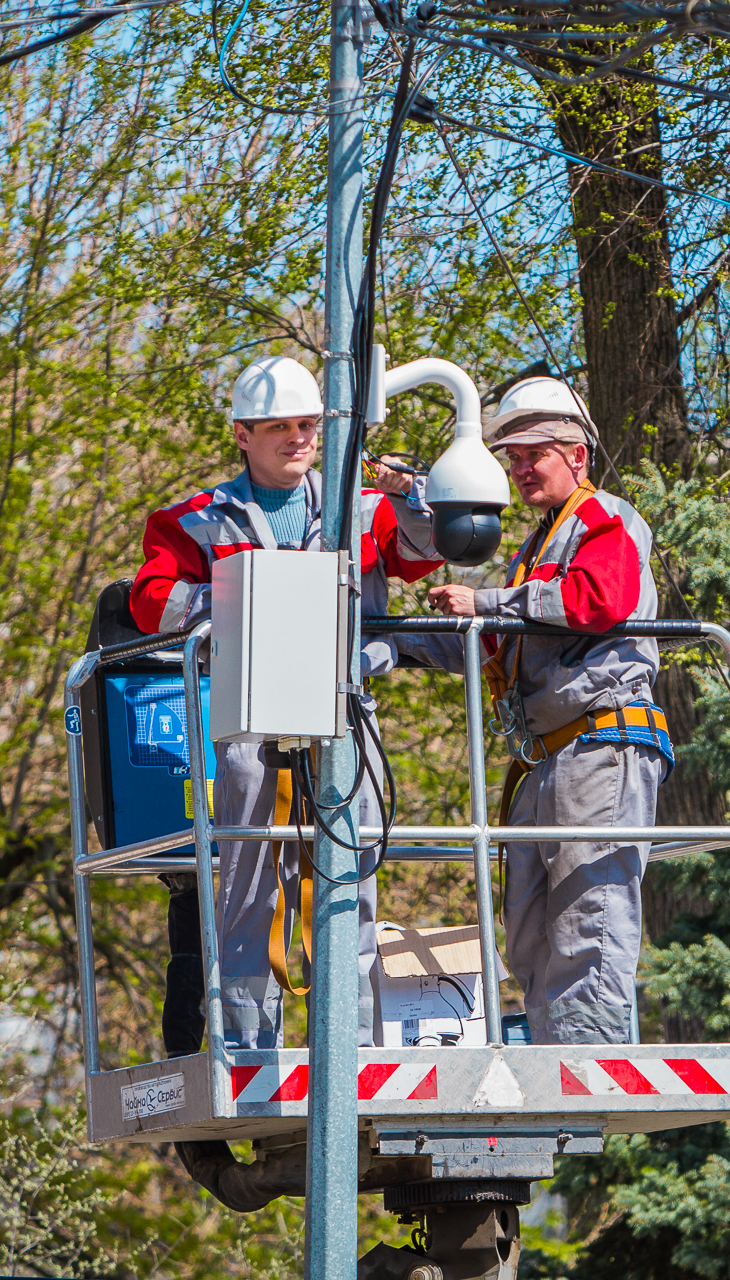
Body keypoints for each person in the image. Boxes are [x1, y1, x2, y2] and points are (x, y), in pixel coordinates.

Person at [131, 354, 438, 1055]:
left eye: (308, 425)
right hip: (251, 723)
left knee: (347, 892)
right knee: (250, 897)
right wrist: (242, 602)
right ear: (242, 434)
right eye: (280, 427)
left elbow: (431, 550)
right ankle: (247, 1051)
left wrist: (413, 490)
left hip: (344, 719)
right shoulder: (199, 520)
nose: (298, 438)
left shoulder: (363, 506)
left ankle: (353, 1055)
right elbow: (152, 600)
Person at [400, 375, 671, 1046]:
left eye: (533, 455)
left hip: (600, 749)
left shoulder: (604, 518)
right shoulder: (538, 548)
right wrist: (386, 637)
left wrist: (486, 602)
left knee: (589, 918)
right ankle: (556, 1059)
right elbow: (497, 642)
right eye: (512, 458)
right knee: (528, 927)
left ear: (576, 455)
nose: (519, 470)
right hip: (549, 759)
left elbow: (595, 602)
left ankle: (592, 1068)